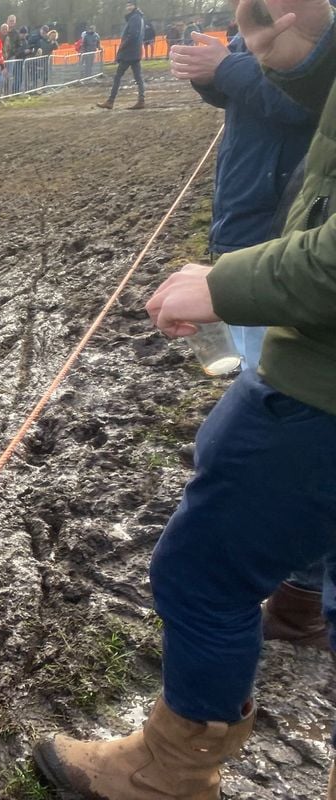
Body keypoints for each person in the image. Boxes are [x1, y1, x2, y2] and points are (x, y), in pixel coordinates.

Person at [34, 0, 336, 793]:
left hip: (318, 377)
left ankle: (171, 771)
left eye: (258, 14)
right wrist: (292, 58)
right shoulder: (304, 48)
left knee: (201, 566)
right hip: (308, 348)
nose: (247, 31)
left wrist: (225, 283)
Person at [170, 27, 324, 647]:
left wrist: (229, 69)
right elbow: (266, 104)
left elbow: (307, 100)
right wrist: (219, 78)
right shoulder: (279, 25)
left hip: (284, 248)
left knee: (288, 414)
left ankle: (303, 593)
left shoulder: (310, 23)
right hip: (256, 229)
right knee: (267, 402)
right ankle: (301, 591)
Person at [96, 0, 145, 109]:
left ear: (134, 6)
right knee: (138, 77)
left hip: (129, 53)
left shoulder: (135, 18)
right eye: (127, 4)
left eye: (130, 4)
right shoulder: (137, 17)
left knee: (118, 76)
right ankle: (141, 100)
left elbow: (132, 35)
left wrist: (122, 47)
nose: (128, 6)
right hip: (134, 52)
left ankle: (111, 101)